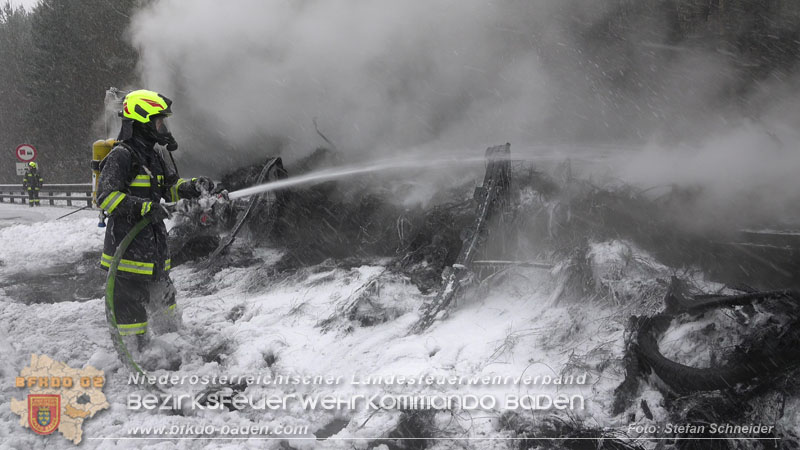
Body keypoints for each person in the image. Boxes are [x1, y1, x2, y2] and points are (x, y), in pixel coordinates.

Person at [96, 89, 214, 368]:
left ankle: (173, 349)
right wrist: (145, 208)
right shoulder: (122, 156)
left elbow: (168, 189)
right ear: (143, 121)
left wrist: (191, 187)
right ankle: (138, 361)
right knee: (130, 316)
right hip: (126, 257)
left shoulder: (154, 156)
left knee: (167, 305)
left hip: (154, 253)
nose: (164, 127)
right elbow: (106, 197)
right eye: (159, 121)